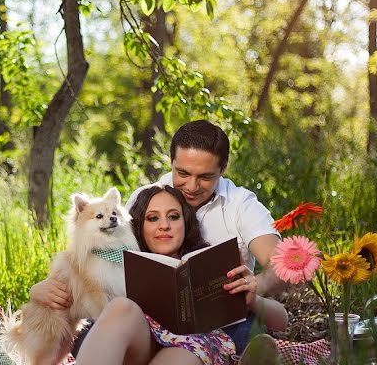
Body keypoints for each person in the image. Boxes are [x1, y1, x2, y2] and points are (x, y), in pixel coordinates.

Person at [20, 183, 288, 365]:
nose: (164, 226)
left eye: (173, 217)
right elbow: (68, 286)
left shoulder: (211, 263)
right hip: (134, 352)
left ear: (185, 222)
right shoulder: (111, 263)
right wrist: (37, 290)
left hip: (188, 354)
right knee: (121, 308)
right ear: (139, 225)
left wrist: (253, 296)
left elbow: (282, 321)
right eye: (153, 218)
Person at [30, 119, 288, 316]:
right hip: (144, 317)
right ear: (171, 161)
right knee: (94, 334)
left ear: (224, 167)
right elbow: (93, 256)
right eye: (182, 173)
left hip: (222, 317)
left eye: (205, 177)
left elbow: (282, 265)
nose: (191, 186)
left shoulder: (241, 204)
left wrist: (256, 285)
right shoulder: (147, 197)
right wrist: (41, 288)